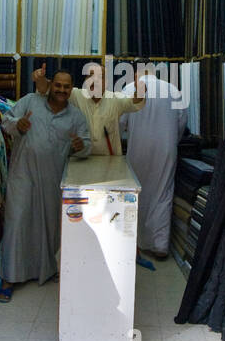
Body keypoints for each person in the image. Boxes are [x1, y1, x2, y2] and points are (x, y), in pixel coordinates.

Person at [0, 70, 92, 299]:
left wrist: (81, 147)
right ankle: (9, 278)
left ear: (71, 89)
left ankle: (45, 270)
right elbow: (5, 120)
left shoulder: (76, 116)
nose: (61, 90)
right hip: (23, 176)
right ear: (50, 85)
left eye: (66, 87)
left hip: (52, 180)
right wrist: (17, 125)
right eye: (58, 85)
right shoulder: (30, 101)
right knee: (17, 224)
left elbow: (87, 143)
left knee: (48, 227)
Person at [122, 71, 188, 260]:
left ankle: (136, 242)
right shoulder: (172, 89)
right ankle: (160, 246)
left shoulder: (129, 89)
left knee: (137, 192)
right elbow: (182, 121)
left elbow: (120, 122)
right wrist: (173, 140)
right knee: (163, 193)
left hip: (138, 147)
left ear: (137, 73)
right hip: (166, 148)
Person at [32, 62, 145, 157]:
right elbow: (46, 89)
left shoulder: (115, 99)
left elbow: (134, 102)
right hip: (80, 159)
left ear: (106, 82)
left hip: (110, 162)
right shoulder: (75, 95)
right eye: (90, 76)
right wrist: (40, 79)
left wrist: (139, 91)